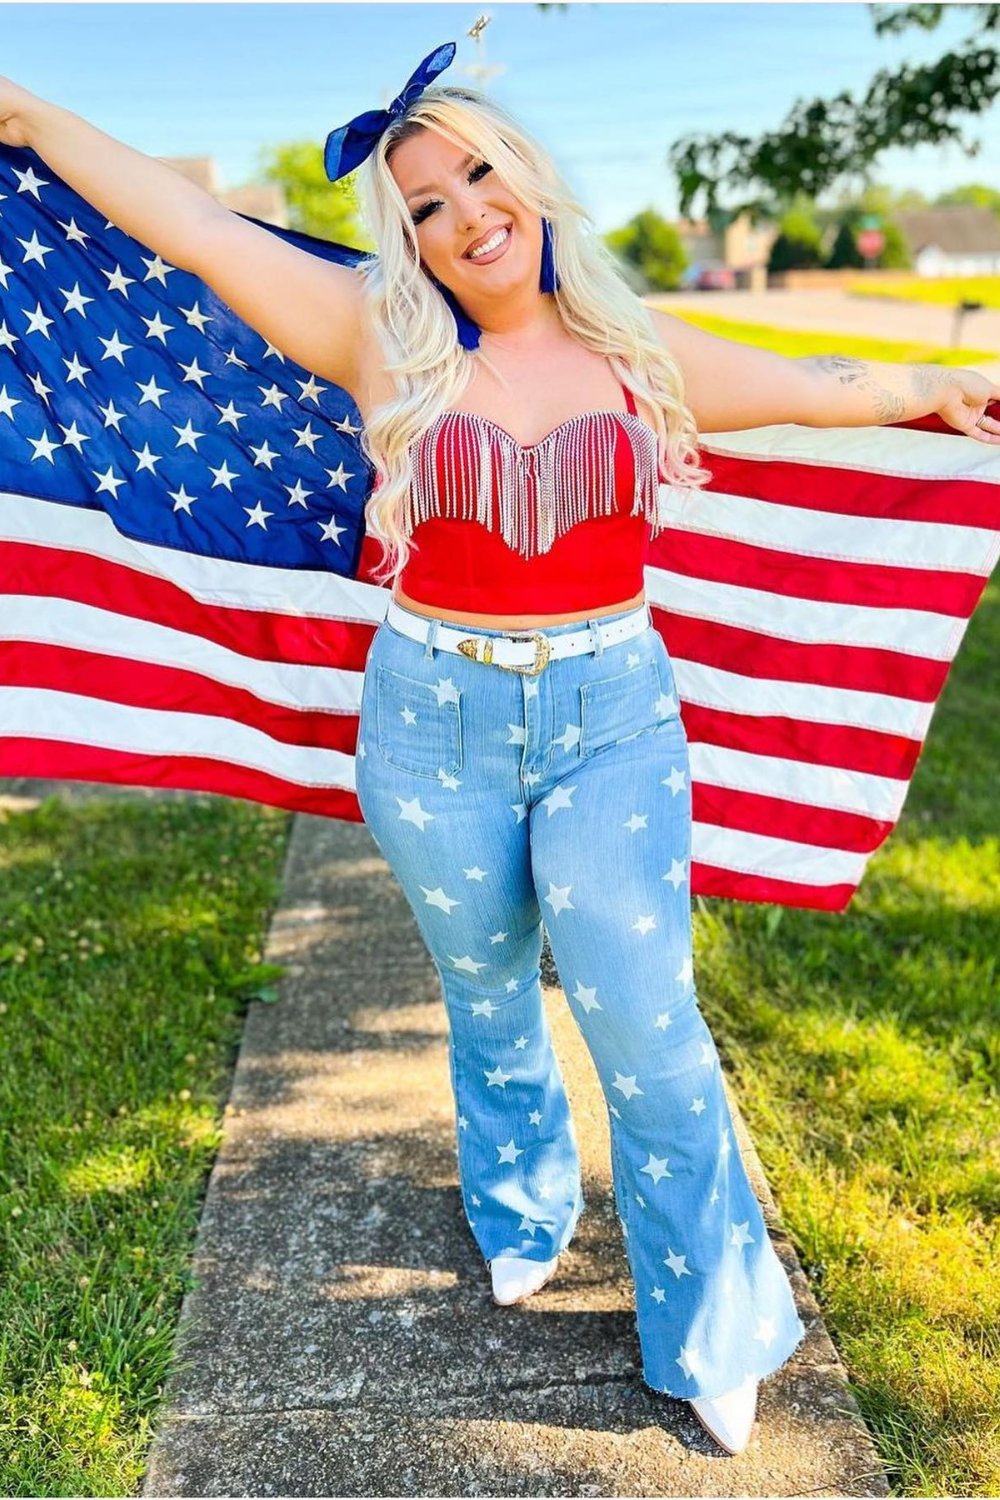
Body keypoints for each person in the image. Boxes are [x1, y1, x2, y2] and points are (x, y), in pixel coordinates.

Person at [2, 42, 997, 1460]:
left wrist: (934, 387)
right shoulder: (377, 338)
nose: (464, 212)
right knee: (483, 993)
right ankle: (522, 1206)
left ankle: (714, 1323)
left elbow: (821, 384)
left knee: (646, 1022)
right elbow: (197, 226)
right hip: (431, 724)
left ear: (523, 173)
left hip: (612, 724)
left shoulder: (637, 349)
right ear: (404, 238)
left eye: (476, 172)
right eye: (422, 204)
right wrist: (31, 114)